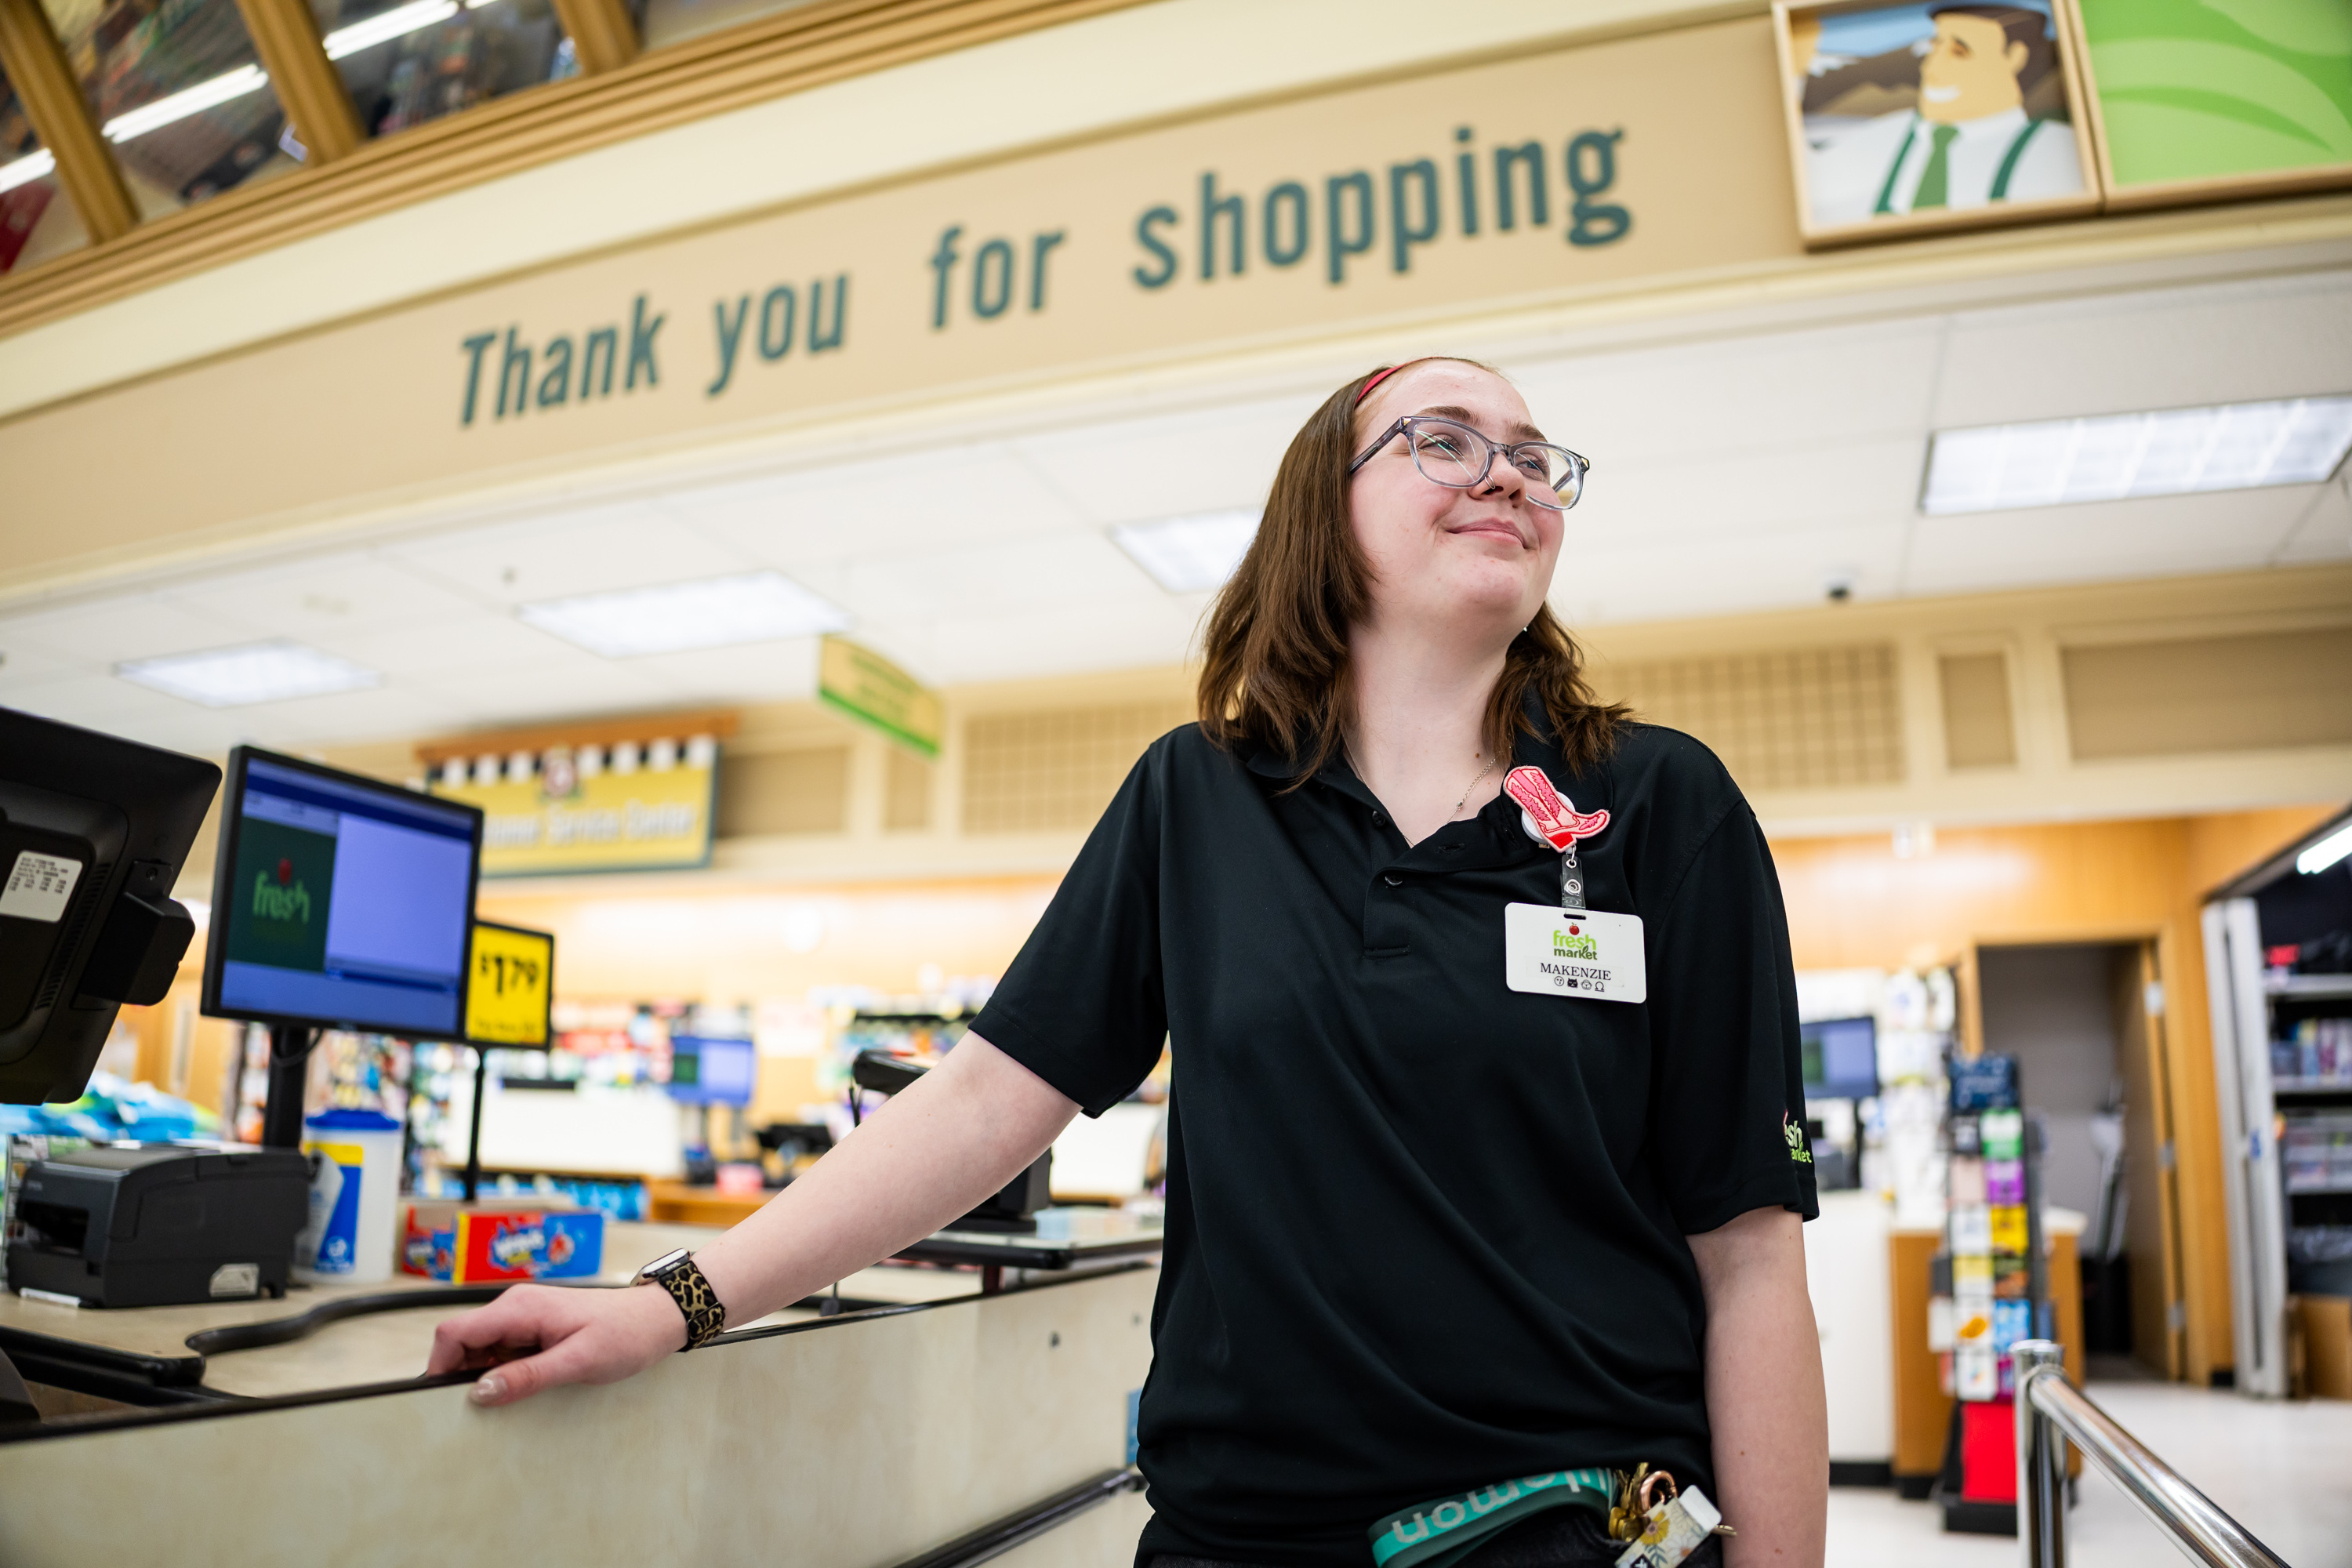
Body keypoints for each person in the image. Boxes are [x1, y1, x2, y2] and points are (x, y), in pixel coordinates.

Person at [428, 357, 1830, 1568]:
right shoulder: (1199, 802)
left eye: (1536, 458)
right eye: (1447, 440)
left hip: (1571, 1528)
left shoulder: (1660, 806)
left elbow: (1751, 1257)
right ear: (1319, 516)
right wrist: (670, 1304)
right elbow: (985, 1104)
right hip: (1241, 1533)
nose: (1509, 476)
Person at [1806, 3, 2083, 227]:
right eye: (1935, 47)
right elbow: (1808, 183)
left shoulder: (2053, 152)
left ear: (2015, 57)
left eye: (1959, 52)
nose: (1931, 68)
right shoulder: (1887, 136)